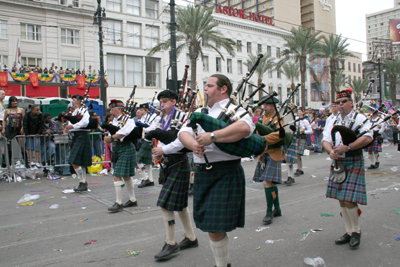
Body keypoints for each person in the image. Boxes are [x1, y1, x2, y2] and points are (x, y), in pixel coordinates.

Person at [179, 74, 254, 267]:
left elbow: (245, 128)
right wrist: (194, 145)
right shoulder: (201, 111)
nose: (205, 89)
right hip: (204, 172)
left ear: (223, 89)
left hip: (225, 172)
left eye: (210, 85)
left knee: (215, 227)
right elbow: (183, 132)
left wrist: (213, 136)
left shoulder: (234, 110)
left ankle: (222, 265)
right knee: (212, 225)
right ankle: (224, 263)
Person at [322, 88, 373, 248]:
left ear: (351, 102)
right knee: (342, 199)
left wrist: (348, 147)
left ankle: (356, 231)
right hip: (338, 162)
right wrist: (331, 152)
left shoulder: (360, 118)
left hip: (353, 159)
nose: (341, 105)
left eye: (344, 102)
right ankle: (348, 231)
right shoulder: (332, 120)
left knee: (350, 199)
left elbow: (367, 137)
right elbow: (325, 139)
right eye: (338, 102)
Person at [152, 89, 198, 261]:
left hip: (179, 163)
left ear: (173, 101)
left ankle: (170, 243)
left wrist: (163, 149)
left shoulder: (183, 118)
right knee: (180, 205)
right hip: (170, 163)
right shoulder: (163, 118)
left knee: (166, 205)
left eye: (164, 101)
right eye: (161, 102)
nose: (162, 105)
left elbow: (178, 142)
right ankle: (191, 238)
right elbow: (162, 138)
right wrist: (158, 151)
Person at [104, 100, 138, 212]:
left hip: (126, 147)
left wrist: (112, 138)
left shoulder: (128, 120)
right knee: (126, 176)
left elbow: (124, 132)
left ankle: (118, 202)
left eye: (112, 109)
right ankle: (133, 200)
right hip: (117, 148)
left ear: (119, 109)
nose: (111, 111)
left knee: (117, 175)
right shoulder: (113, 121)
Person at [64, 95, 92, 192]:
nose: (72, 101)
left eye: (74, 99)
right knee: (80, 163)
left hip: (82, 135)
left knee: (74, 161)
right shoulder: (75, 112)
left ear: (79, 101)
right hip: (76, 136)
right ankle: (83, 182)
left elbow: (85, 122)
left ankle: (83, 182)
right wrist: (68, 128)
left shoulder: (84, 110)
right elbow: (70, 124)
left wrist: (73, 127)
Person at [284, 107, 313, 185]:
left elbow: (306, 129)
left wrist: (298, 132)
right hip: (287, 139)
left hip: (298, 138)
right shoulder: (284, 118)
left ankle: (297, 170)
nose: (299, 112)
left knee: (297, 155)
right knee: (288, 157)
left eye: (300, 111)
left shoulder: (301, 120)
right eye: (298, 111)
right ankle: (291, 174)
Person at [136, 103, 157, 188]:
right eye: (140, 110)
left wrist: (143, 129)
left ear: (146, 110)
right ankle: (150, 180)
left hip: (148, 139)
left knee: (138, 160)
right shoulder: (141, 118)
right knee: (147, 162)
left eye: (142, 110)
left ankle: (145, 178)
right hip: (142, 139)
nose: (140, 111)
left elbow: (153, 127)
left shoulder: (151, 117)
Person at [54, 112, 71, 176]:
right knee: (62, 156)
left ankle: (65, 170)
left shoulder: (67, 123)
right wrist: (62, 131)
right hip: (60, 140)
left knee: (66, 156)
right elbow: (56, 131)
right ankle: (63, 170)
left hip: (66, 140)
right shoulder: (57, 123)